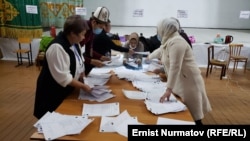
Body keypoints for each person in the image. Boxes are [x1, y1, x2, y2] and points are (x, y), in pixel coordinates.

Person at [148, 18, 212, 125]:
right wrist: (148, 57)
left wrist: (168, 89)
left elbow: (175, 66)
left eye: (159, 29)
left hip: (189, 83)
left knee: (193, 116)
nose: (158, 32)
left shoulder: (177, 42)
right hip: (181, 82)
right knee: (184, 112)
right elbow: (160, 52)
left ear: (165, 29)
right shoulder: (168, 41)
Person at [33, 15, 92, 119]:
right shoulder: (57, 47)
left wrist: (82, 75)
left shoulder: (74, 43)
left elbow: (80, 62)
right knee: (52, 122)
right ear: (72, 33)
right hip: (52, 93)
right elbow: (64, 77)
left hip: (66, 90)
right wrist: (83, 86)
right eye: (82, 35)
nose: (83, 38)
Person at [80, 6, 111, 76]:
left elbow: (89, 51)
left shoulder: (92, 31)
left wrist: (101, 57)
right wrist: (91, 61)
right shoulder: (83, 29)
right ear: (94, 22)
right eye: (101, 27)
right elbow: (75, 54)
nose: (101, 30)